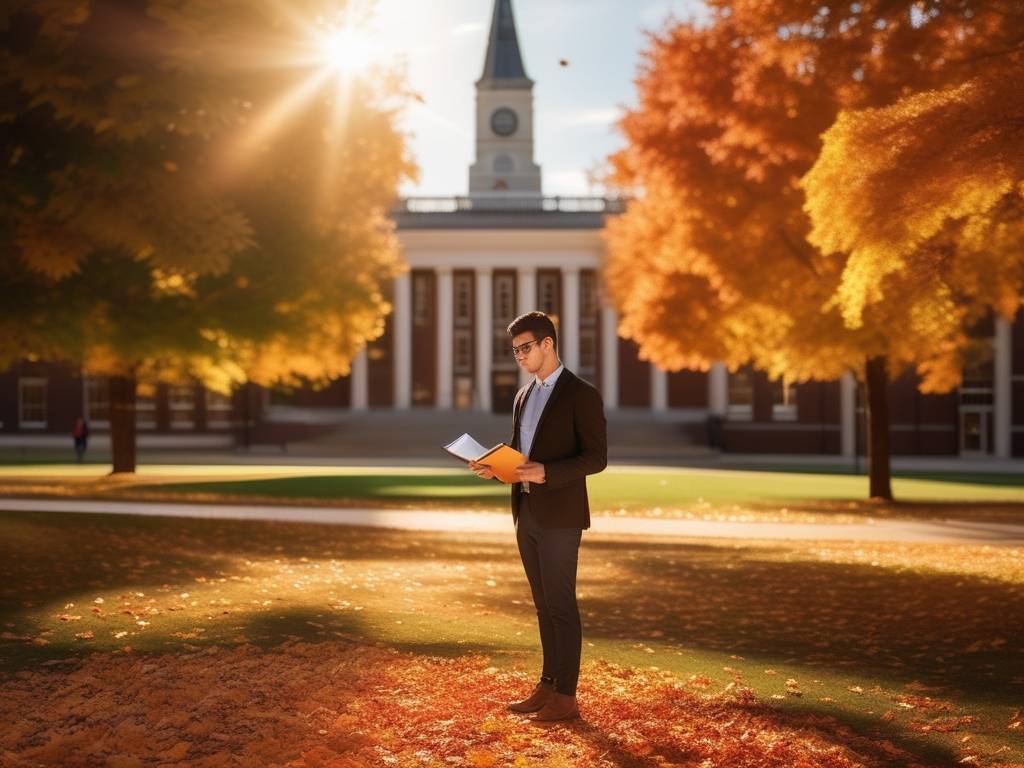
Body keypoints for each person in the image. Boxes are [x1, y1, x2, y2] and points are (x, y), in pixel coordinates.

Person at [470, 311, 607, 722]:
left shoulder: (581, 394)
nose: (520, 357)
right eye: (514, 351)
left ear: (548, 343)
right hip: (526, 510)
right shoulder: (522, 396)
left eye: (525, 348)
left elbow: (596, 458)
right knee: (543, 606)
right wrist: (496, 468)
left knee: (562, 605)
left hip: (562, 515)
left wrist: (548, 472)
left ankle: (567, 696)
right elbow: (520, 454)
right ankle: (547, 685)